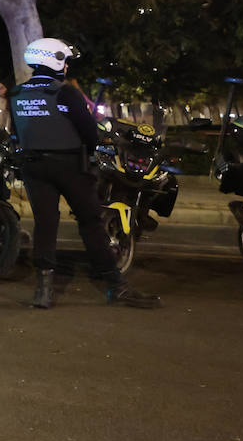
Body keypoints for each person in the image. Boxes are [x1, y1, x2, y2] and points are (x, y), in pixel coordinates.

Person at [11, 38, 161, 310]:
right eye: (65, 60)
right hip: (69, 166)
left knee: (45, 224)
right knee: (91, 223)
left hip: (33, 167)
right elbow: (89, 132)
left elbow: (17, 132)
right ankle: (116, 286)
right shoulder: (65, 92)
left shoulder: (16, 93)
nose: (67, 66)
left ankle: (43, 291)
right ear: (54, 60)